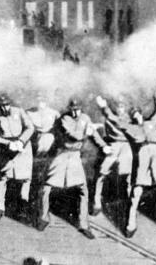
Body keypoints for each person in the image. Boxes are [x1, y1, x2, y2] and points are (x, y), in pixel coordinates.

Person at [98, 83, 156, 237]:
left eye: (138, 113)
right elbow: (113, 118)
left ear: (141, 114)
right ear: (132, 118)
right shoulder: (129, 127)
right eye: (133, 115)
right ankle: (131, 224)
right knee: (137, 189)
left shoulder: (151, 122)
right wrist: (104, 107)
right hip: (143, 154)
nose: (136, 116)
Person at [38, 98, 108, 239]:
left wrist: (103, 145)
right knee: (46, 187)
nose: (75, 113)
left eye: (78, 110)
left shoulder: (85, 118)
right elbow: (74, 135)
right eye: (73, 110)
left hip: (75, 156)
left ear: (81, 109)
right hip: (62, 154)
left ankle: (84, 225)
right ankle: (43, 218)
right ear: (69, 109)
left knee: (83, 189)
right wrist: (87, 132)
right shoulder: (65, 119)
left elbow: (94, 134)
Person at [0, 92, 35, 220]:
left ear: (10, 103)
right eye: (1, 105)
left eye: (6, 105)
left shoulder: (19, 112)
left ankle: (23, 206)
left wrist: (21, 141)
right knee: (3, 177)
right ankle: (0, 207)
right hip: (7, 149)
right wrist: (8, 143)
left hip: (23, 148)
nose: (4, 108)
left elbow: (30, 128)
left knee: (25, 178)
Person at [92, 94, 133, 217]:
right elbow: (104, 125)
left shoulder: (128, 118)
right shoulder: (109, 117)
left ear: (126, 108)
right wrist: (99, 125)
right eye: (118, 106)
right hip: (113, 145)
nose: (120, 109)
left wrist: (104, 107)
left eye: (122, 107)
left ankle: (129, 205)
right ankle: (96, 202)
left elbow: (118, 122)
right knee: (101, 172)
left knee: (128, 175)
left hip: (126, 146)